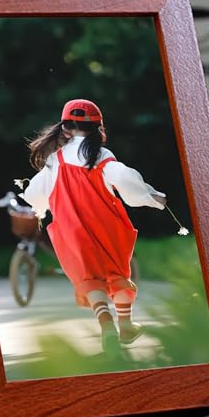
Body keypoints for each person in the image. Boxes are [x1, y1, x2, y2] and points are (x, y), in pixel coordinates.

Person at [20, 99, 166, 354]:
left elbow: (36, 191)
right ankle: (126, 324)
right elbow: (123, 178)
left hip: (71, 229)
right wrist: (152, 196)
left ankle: (106, 324)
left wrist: (39, 210)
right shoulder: (102, 157)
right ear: (99, 127)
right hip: (106, 226)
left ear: (65, 128)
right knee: (117, 274)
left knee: (90, 279)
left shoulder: (56, 160)